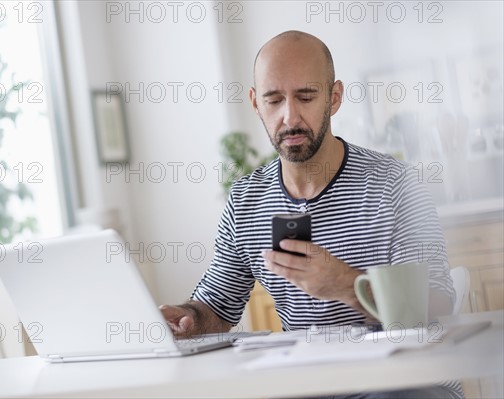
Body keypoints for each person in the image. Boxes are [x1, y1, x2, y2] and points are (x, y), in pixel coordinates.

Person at [160, 31, 462, 399]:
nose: (290, 117)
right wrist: (187, 320)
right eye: (273, 100)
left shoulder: (396, 185)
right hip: (312, 384)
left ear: (333, 98)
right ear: (256, 103)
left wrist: (348, 286)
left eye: (305, 97)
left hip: (405, 382)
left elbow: (434, 312)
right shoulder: (246, 201)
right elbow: (217, 307)